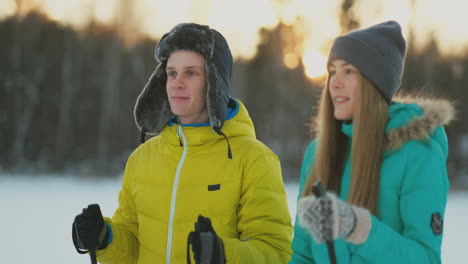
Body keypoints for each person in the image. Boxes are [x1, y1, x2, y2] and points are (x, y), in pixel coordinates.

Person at [72, 23, 293, 264]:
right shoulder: (142, 159)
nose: (177, 83)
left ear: (215, 83)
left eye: (191, 73)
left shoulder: (254, 160)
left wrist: (222, 255)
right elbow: (134, 246)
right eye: (172, 73)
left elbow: (276, 252)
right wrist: (105, 238)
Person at [290, 21, 454, 264]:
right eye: (332, 71)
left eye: (348, 71)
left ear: (374, 84)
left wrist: (362, 229)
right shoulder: (318, 154)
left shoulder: (419, 156)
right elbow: (303, 255)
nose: (334, 83)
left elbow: (426, 258)